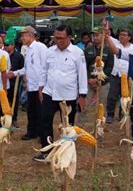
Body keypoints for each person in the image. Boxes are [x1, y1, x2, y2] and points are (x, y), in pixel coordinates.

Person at [33, 25, 87, 162]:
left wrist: (82, 95)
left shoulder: (77, 52)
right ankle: (47, 151)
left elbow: (82, 74)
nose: (58, 41)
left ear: (69, 37)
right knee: (44, 121)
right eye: (56, 38)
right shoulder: (49, 51)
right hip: (49, 92)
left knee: (67, 125)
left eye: (61, 38)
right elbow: (44, 70)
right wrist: (40, 87)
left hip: (68, 95)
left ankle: (66, 151)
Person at [9, 26, 48, 140]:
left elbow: (45, 68)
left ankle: (42, 134)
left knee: (41, 112)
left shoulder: (41, 48)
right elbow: (27, 68)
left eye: (24, 35)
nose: (22, 38)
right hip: (31, 86)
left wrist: (42, 85)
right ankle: (32, 132)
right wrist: (15, 73)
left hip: (40, 86)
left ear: (30, 35)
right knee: (31, 111)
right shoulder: (27, 49)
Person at [105, 29, 133, 123]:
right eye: (120, 34)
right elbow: (107, 37)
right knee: (112, 96)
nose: (121, 36)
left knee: (125, 96)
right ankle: (110, 114)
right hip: (115, 74)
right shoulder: (115, 43)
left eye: (124, 35)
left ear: (129, 37)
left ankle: (122, 114)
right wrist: (106, 27)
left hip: (127, 76)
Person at [84, 28, 114, 108]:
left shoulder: (109, 50)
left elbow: (109, 67)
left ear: (103, 36)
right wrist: (89, 79)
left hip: (103, 83)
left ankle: (100, 120)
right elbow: (84, 66)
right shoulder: (88, 49)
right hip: (89, 82)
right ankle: (82, 120)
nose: (95, 37)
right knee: (84, 105)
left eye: (97, 35)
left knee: (101, 106)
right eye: (93, 35)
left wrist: (98, 79)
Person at [4, 38, 24, 128]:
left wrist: (23, 81)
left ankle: (14, 119)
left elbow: (23, 69)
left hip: (14, 82)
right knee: (5, 102)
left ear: (13, 45)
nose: (5, 47)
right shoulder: (3, 55)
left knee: (15, 101)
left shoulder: (19, 56)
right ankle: (5, 119)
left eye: (7, 45)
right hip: (4, 83)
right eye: (5, 45)